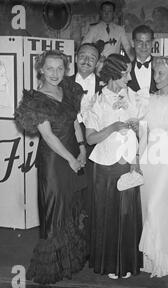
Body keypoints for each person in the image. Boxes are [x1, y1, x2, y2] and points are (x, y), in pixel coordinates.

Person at [15, 50, 88, 284]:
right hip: (55, 162)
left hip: (73, 154)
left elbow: (75, 122)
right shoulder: (36, 98)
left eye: (59, 68)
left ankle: (70, 259)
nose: (55, 73)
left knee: (71, 209)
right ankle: (51, 268)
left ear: (65, 69)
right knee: (54, 212)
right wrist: (71, 159)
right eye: (50, 68)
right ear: (41, 70)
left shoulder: (69, 90)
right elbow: (47, 136)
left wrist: (82, 147)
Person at [83, 54, 143, 279]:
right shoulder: (96, 102)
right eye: (125, 73)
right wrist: (113, 127)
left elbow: (142, 132)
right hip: (105, 166)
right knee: (107, 214)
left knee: (127, 214)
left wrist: (136, 155)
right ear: (114, 74)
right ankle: (109, 264)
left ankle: (126, 263)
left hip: (127, 164)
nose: (129, 77)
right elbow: (90, 139)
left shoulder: (134, 97)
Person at [138, 57, 168, 277]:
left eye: (161, 73)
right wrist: (137, 159)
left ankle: (162, 259)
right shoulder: (147, 99)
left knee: (157, 205)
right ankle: (152, 260)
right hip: (148, 157)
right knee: (148, 205)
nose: (156, 77)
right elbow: (142, 131)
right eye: (155, 73)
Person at [68, 42, 104, 253]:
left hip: (96, 147)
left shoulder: (106, 84)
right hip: (67, 146)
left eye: (92, 57)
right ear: (75, 58)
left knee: (92, 196)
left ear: (98, 62)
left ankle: (91, 244)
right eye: (82, 56)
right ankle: (70, 242)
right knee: (69, 195)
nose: (86, 60)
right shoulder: (61, 83)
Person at [128, 25, 157, 94]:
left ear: (152, 43)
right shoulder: (125, 69)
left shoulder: (161, 67)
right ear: (132, 43)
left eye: (148, 42)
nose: (144, 46)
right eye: (140, 42)